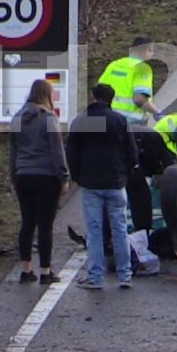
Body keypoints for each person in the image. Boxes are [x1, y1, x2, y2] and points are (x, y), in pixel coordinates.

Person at [64, 83, 138, 289]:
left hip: (91, 183)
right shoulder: (120, 121)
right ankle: (125, 275)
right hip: (115, 182)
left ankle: (96, 277)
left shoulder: (81, 122)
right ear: (111, 98)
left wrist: (78, 176)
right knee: (120, 230)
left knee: (95, 231)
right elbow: (132, 153)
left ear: (93, 96)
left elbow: (71, 153)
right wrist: (124, 174)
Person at [8, 78, 68, 285]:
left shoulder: (17, 118)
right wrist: (63, 176)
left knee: (27, 222)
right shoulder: (49, 118)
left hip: (23, 175)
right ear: (47, 95)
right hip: (46, 175)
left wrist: (14, 176)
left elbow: (13, 152)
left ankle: (26, 270)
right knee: (45, 225)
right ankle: (45, 270)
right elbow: (57, 151)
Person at [99, 36, 161, 237]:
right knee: (134, 177)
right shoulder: (142, 69)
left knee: (109, 176)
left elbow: (98, 93)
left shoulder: (114, 65)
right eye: (151, 51)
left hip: (105, 125)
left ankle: (105, 228)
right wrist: (156, 112)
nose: (151, 56)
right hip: (130, 128)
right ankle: (137, 228)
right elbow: (139, 98)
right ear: (145, 51)